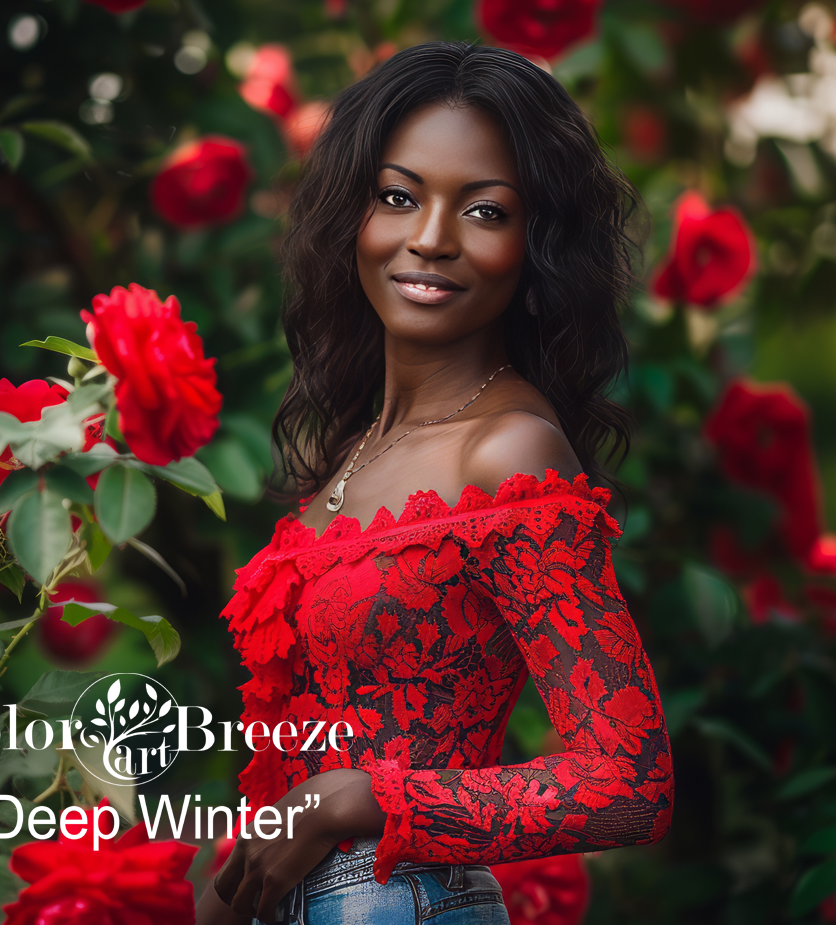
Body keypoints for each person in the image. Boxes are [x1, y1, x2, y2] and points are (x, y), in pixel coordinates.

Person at [197, 40, 674, 925]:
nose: (429, 237)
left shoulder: (507, 452)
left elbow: (624, 781)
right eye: (397, 196)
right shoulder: (357, 450)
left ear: (537, 245)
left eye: (485, 211)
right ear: (356, 217)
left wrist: (353, 799)